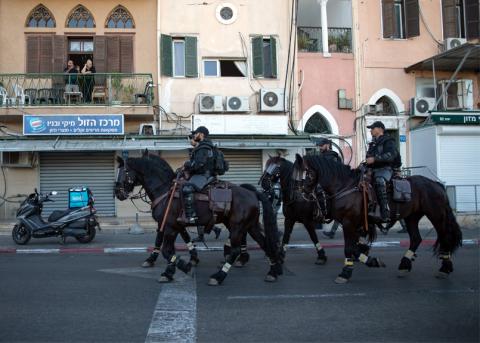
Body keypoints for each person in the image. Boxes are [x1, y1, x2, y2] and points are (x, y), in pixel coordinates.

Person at [179, 126, 217, 224]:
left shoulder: (203, 148)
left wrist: (187, 164)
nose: (194, 135)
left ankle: (191, 216)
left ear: (201, 135)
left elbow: (198, 164)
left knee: (187, 188)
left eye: (196, 134)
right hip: (200, 174)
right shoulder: (202, 147)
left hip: (203, 175)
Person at [366, 121, 402, 222]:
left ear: (380, 129)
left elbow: (391, 155)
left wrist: (375, 159)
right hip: (372, 169)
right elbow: (369, 156)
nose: (371, 130)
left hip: (386, 169)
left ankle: (385, 211)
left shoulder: (388, 141)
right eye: (371, 129)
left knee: (379, 180)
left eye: (373, 128)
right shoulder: (372, 143)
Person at [313, 138, 342, 238]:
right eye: (319, 145)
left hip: (333, 183)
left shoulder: (333, 156)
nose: (320, 147)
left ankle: (323, 215)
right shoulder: (321, 156)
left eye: (321, 145)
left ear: (327, 145)